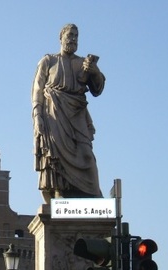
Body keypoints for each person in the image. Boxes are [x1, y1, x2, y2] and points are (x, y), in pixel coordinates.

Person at [32, 23, 105, 203]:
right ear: (61, 38)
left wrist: (95, 72)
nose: (73, 39)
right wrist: (37, 115)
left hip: (77, 113)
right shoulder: (48, 61)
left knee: (86, 154)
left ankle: (93, 196)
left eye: (76, 36)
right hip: (54, 114)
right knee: (55, 155)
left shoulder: (83, 63)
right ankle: (60, 193)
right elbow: (37, 89)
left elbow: (98, 89)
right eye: (70, 35)